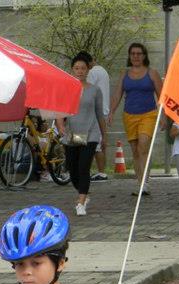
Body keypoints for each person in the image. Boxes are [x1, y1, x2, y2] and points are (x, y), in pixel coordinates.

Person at [108, 42, 162, 196]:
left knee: (143, 145)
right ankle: (140, 182)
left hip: (148, 114)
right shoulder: (124, 74)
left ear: (144, 56)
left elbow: (162, 95)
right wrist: (111, 111)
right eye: (133, 54)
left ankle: (145, 181)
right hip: (129, 115)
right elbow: (117, 94)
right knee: (135, 151)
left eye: (139, 53)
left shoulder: (152, 73)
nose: (136, 56)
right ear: (129, 56)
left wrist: (163, 116)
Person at [57, 53, 107, 217]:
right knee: (73, 170)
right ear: (72, 70)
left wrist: (104, 135)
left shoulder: (94, 90)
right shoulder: (67, 87)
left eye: (83, 68)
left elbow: (100, 114)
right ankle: (84, 193)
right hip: (73, 134)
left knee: (84, 167)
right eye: (77, 68)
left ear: (88, 70)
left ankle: (80, 202)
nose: (80, 71)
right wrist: (60, 124)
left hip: (90, 133)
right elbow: (60, 110)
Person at [84, 52, 111, 182]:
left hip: (95, 111)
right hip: (103, 110)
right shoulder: (103, 71)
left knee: (95, 144)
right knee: (100, 142)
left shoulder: (93, 72)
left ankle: (101, 173)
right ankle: (101, 171)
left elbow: (86, 89)